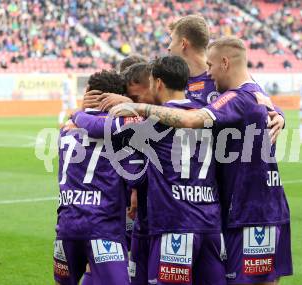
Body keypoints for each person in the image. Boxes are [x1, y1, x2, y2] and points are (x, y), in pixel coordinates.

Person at [110, 37, 292, 285]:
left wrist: (139, 108)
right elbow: (259, 105)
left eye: (212, 65)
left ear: (225, 62)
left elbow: (190, 119)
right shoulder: (252, 94)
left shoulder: (239, 96)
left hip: (253, 211)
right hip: (231, 212)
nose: (209, 72)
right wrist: (279, 114)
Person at [73, 56, 227, 285]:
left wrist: (76, 113)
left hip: (174, 222)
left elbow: (99, 127)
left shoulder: (153, 121)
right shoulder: (203, 114)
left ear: (158, 83)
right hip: (211, 224)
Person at [54, 70, 130, 285]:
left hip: (67, 224)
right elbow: (135, 178)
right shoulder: (122, 129)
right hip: (103, 226)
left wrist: (77, 111)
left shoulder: (66, 130)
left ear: (87, 91)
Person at [168, 15, 219, 106]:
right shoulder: (170, 80)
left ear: (183, 43)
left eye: (171, 40)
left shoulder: (220, 80)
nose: (169, 48)